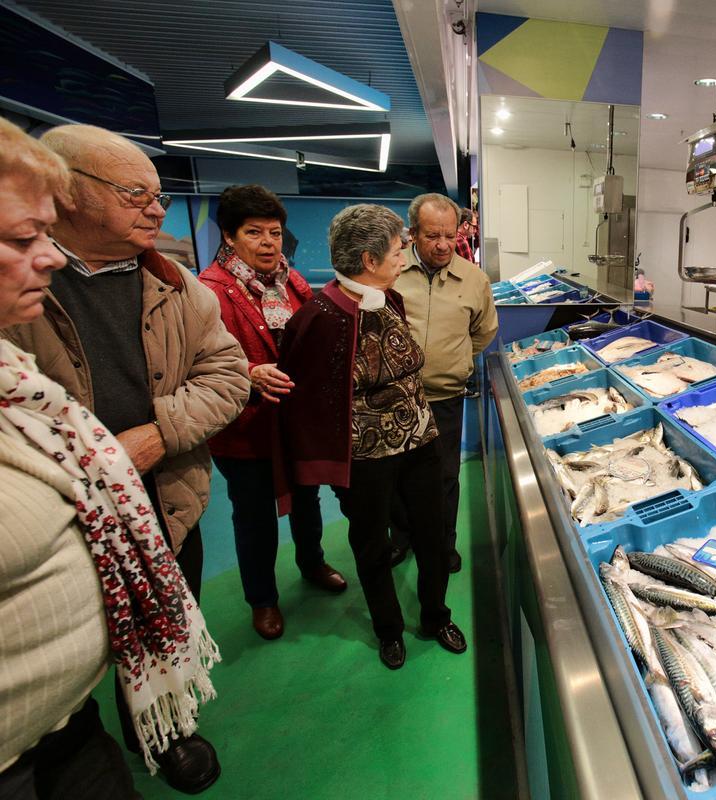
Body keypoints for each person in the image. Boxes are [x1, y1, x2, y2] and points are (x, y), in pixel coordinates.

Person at [3, 124, 249, 794]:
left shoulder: (180, 289)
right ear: (71, 194)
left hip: (166, 494)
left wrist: (156, 435)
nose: (157, 209)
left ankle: (163, 726)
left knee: (169, 616)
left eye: (160, 195)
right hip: (67, 510)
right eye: (135, 193)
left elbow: (228, 376)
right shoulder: (19, 298)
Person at [276, 204, 466, 670]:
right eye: (397, 250)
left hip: (420, 442)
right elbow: (306, 396)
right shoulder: (319, 315)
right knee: (372, 545)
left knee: (433, 534)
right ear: (368, 259)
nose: (403, 257)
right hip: (366, 457)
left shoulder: (390, 299)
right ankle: (388, 629)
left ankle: (436, 615)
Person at [198, 185, 347, 641]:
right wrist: (248, 372)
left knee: (307, 499)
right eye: (254, 232)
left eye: (275, 233)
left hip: (294, 422)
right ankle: (262, 600)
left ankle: (312, 563)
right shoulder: (208, 292)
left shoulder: (294, 282)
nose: (267, 243)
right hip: (245, 429)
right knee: (254, 515)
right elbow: (195, 359)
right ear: (229, 235)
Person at [392, 194, 497, 574]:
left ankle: (441, 544)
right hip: (394, 397)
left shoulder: (474, 279)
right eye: (432, 235)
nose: (442, 245)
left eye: (449, 236)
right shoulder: (391, 270)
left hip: (445, 397)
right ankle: (401, 537)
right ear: (413, 233)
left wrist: (457, 361)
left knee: (444, 478)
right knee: (397, 475)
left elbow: (484, 331)